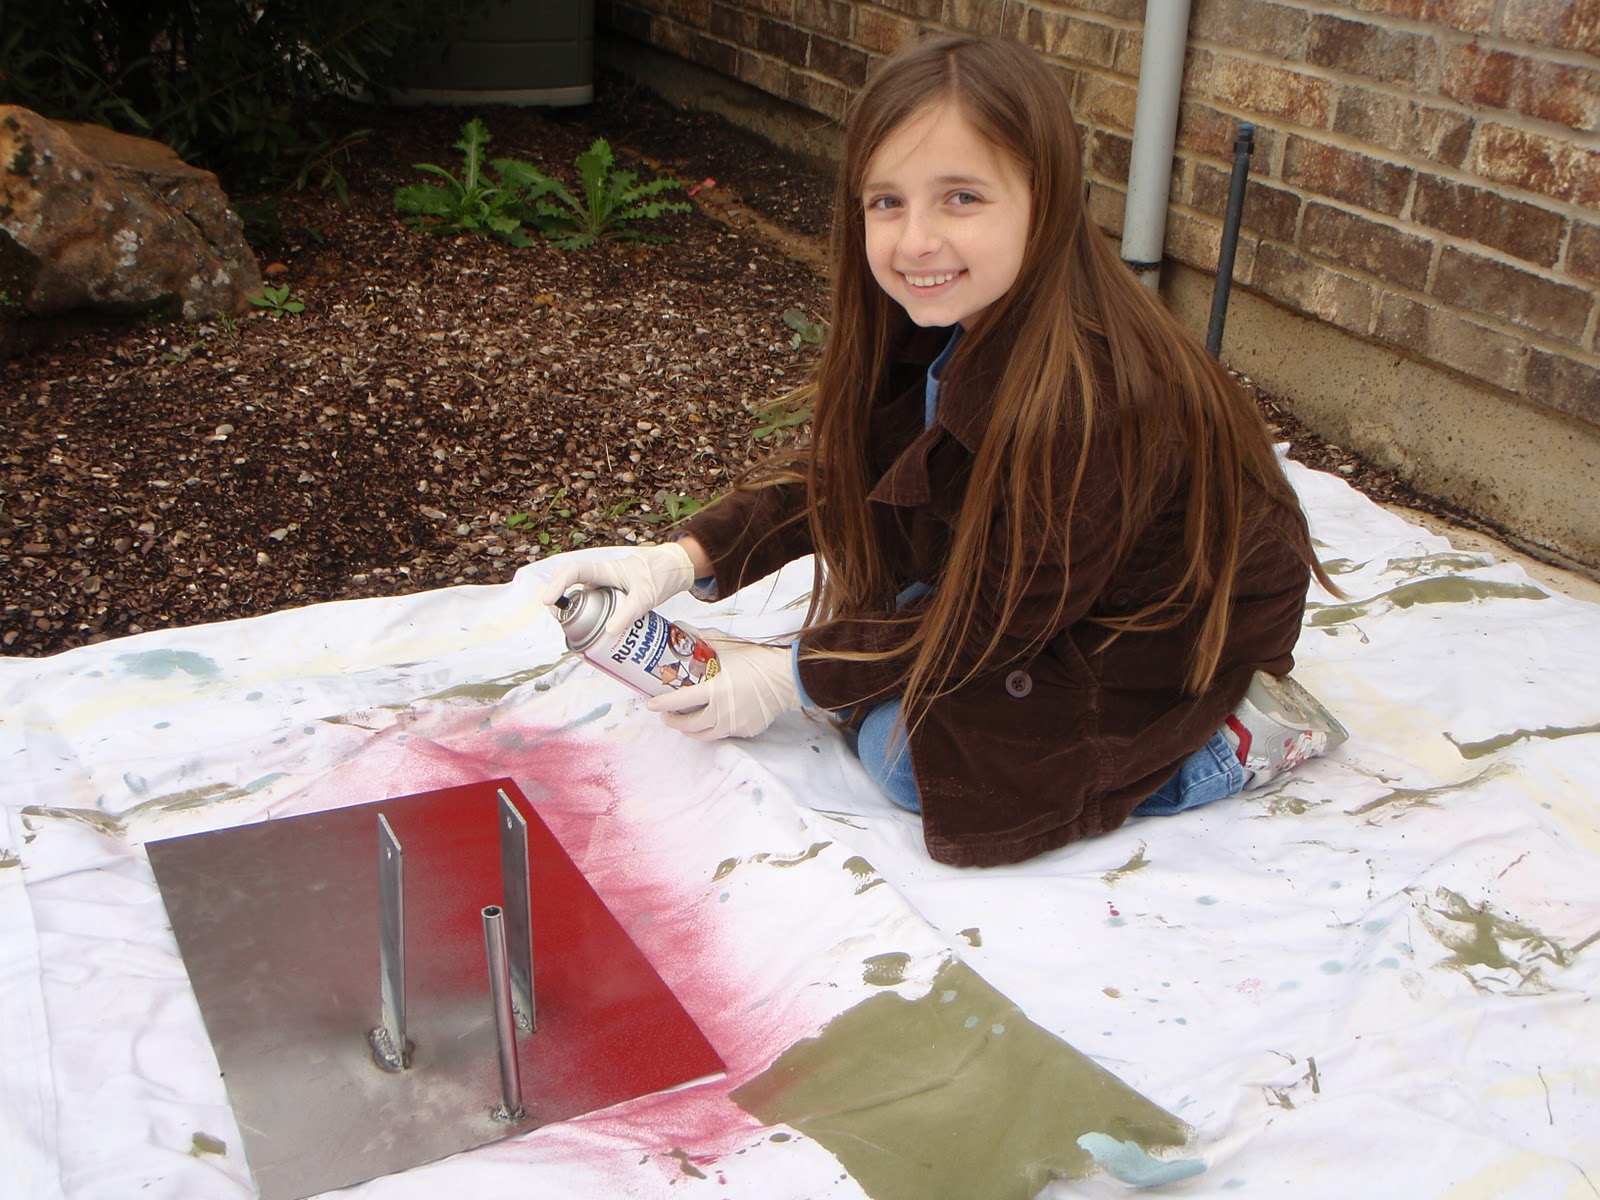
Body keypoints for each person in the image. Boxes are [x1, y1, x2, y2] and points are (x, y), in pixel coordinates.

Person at [541, 35, 1346, 868]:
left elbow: (1000, 615)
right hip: (1050, 576)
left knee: (913, 755)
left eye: (961, 197)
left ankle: (1225, 743)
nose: (915, 239)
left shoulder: (1097, 395)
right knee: (884, 637)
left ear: (1050, 199)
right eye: (886, 202)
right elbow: (852, 471)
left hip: (1150, 632)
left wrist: (795, 678)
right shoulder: (950, 316)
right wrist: (681, 556)